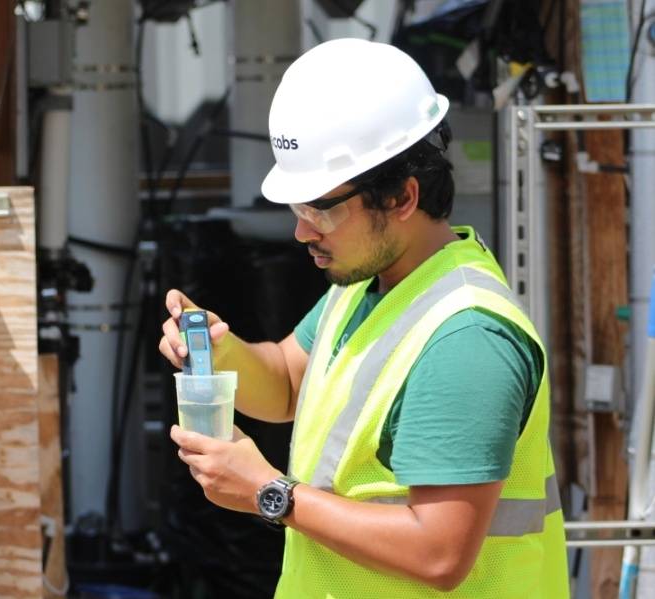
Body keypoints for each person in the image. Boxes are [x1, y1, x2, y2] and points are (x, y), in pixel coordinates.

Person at [158, 38, 569, 598]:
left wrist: (269, 492)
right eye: (298, 209)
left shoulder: (467, 339)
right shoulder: (371, 283)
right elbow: (284, 382)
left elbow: (438, 553)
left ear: (402, 196)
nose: (303, 231)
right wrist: (218, 350)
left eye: (321, 209)